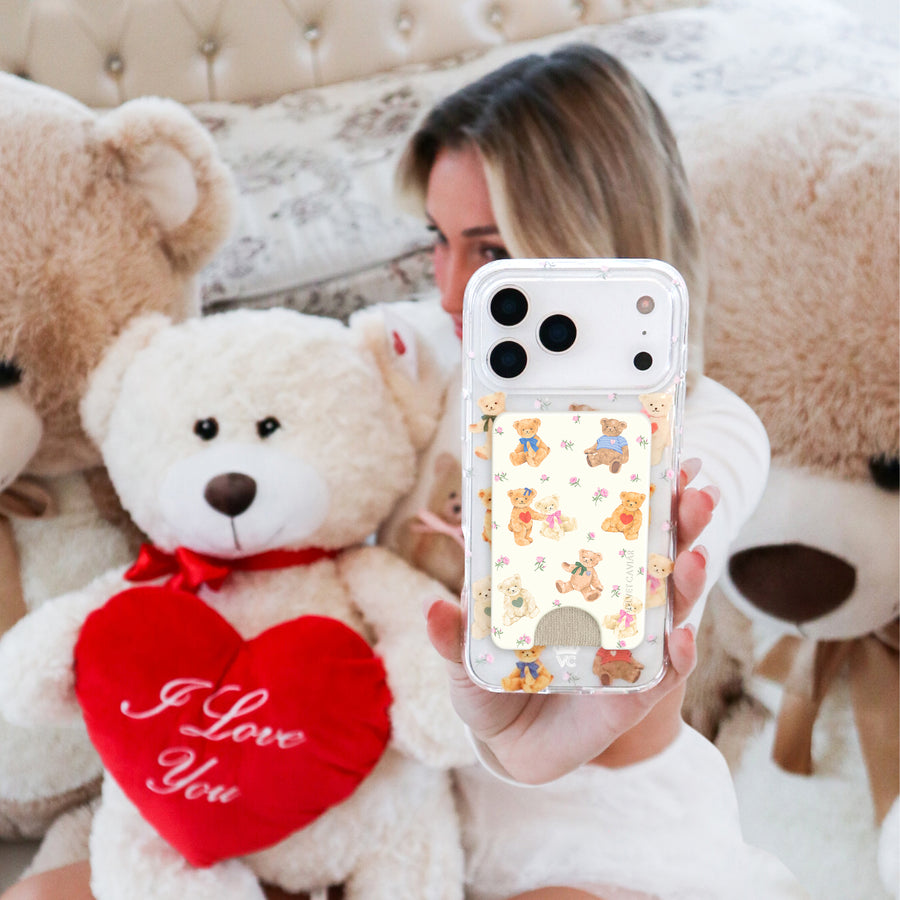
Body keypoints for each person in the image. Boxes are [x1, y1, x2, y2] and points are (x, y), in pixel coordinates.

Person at [2, 44, 806, 900]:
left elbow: (596, 667)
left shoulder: (708, 431)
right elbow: (237, 385)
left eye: (490, 253)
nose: (453, 291)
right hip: (381, 805)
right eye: (438, 241)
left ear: (588, 242)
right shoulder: (414, 350)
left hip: (591, 832)